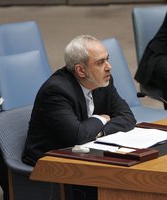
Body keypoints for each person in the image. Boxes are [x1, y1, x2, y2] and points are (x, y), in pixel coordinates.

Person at [22, 35, 136, 200]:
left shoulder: (103, 82)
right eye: (100, 62)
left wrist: (99, 132)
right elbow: (78, 136)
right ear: (80, 70)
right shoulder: (56, 91)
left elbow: (127, 117)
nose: (109, 67)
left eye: (107, 60)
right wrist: (101, 119)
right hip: (51, 165)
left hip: (86, 157)